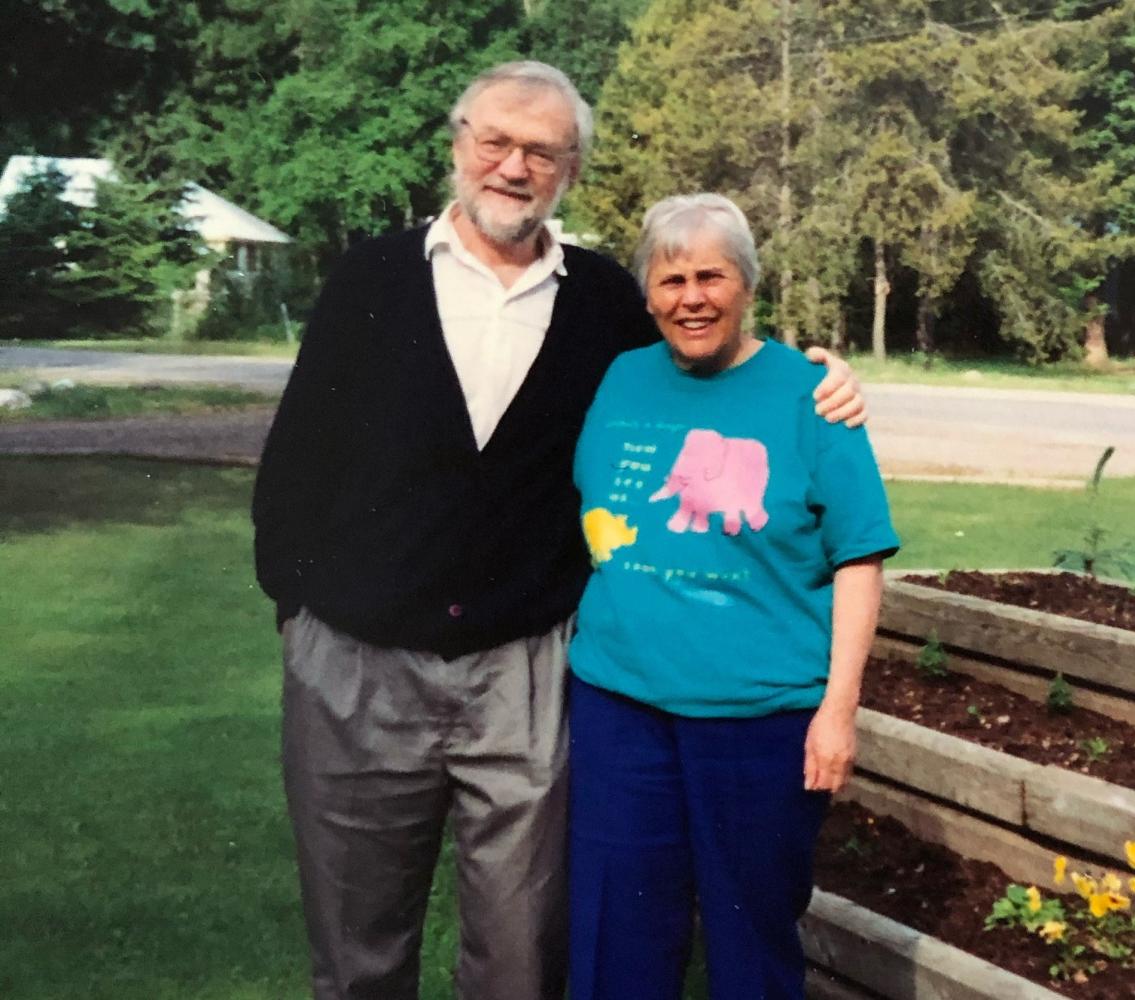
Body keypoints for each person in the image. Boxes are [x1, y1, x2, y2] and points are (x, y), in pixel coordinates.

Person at [251, 62, 865, 1000]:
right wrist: (298, 613)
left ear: (570, 168)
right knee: (357, 942)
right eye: (495, 141)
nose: (513, 166)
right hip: (357, 666)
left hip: (524, 672)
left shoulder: (606, 301)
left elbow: (709, 352)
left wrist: (830, 379)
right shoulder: (373, 275)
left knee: (522, 949)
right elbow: (297, 455)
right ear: (459, 146)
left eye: (541, 150)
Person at [564, 192, 897, 1000]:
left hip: (759, 721)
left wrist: (838, 709)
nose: (692, 297)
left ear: (747, 283)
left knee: (752, 935)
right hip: (620, 708)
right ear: (647, 292)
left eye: (712, 276)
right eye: (671, 279)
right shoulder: (620, 376)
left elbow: (859, 557)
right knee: (617, 935)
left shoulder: (810, 394)